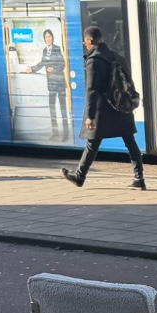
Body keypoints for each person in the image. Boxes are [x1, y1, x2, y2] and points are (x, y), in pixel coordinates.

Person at [61, 26, 146, 191]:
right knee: (130, 142)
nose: (85, 45)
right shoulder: (116, 56)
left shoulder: (94, 60)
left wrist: (90, 116)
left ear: (89, 41)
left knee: (92, 144)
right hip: (121, 106)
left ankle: (79, 176)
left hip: (103, 110)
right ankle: (139, 177)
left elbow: (92, 90)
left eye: (85, 42)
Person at [25, 28, 69, 140]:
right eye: (46, 37)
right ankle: (55, 133)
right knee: (52, 108)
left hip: (59, 82)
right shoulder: (45, 51)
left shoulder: (57, 48)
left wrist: (53, 69)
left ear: (52, 37)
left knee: (63, 108)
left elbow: (62, 64)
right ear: (44, 39)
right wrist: (32, 69)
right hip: (51, 84)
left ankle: (66, 134)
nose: (48, 39)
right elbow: (42, 63)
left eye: (49, 36)